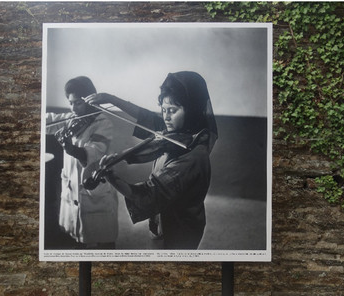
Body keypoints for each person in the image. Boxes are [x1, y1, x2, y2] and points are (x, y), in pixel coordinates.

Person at [86, 71, 218, 249]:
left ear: (193, 110)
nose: (166, 117)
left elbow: (147, 195)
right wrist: (111, 98)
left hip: (179, 228)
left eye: (172, 111)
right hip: (164, 219)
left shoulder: (192, 158)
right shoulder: (183, 131)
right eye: (164, 110)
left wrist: (113, 178)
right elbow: (146, 117)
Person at [45, 76, 119, 248]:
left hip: (94, 188)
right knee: (76, 237)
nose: (73, 108)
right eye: (70, 103)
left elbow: (95, 150)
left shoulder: (103, 123)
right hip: (72, 187)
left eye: (78, 103)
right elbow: (50, 120)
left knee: (103, 238)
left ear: (90, 101)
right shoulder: (71, 118)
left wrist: (72, 150)